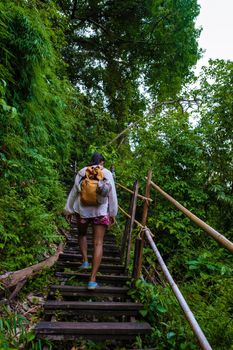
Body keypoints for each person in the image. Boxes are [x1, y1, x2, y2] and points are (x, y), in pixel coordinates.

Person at [64, 153, 118, 290]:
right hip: (100, 211)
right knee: (98, 243)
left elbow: (74, 191)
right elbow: (112, 195)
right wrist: (112, 213)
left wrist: (68, 210)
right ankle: (92, 279)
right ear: (101, 162)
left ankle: (85, 261)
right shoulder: (106, 173)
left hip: (82, 211)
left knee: (82, 234)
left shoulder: (82, 172)